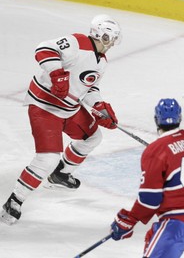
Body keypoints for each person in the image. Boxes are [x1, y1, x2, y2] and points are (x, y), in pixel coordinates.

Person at [1, 14, 121, 225]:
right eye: (109, 38)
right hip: (45, 107)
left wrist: (99, 107)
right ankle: (14, 200)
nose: (111, 43)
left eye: (114, 39)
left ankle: (61, 174)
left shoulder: (101, 61)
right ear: (98, 34)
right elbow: (43, 49)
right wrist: (57, 73)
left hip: (69, 109)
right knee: (47, 158)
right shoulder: (77, 42)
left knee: (92, 137)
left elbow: (89, 86)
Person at [110, 98, 184, 258]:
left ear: (156, 120)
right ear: (179, 118)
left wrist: (130, 220)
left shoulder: (155, 151)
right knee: (153, 236)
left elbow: (150, 199)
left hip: (182, 221)